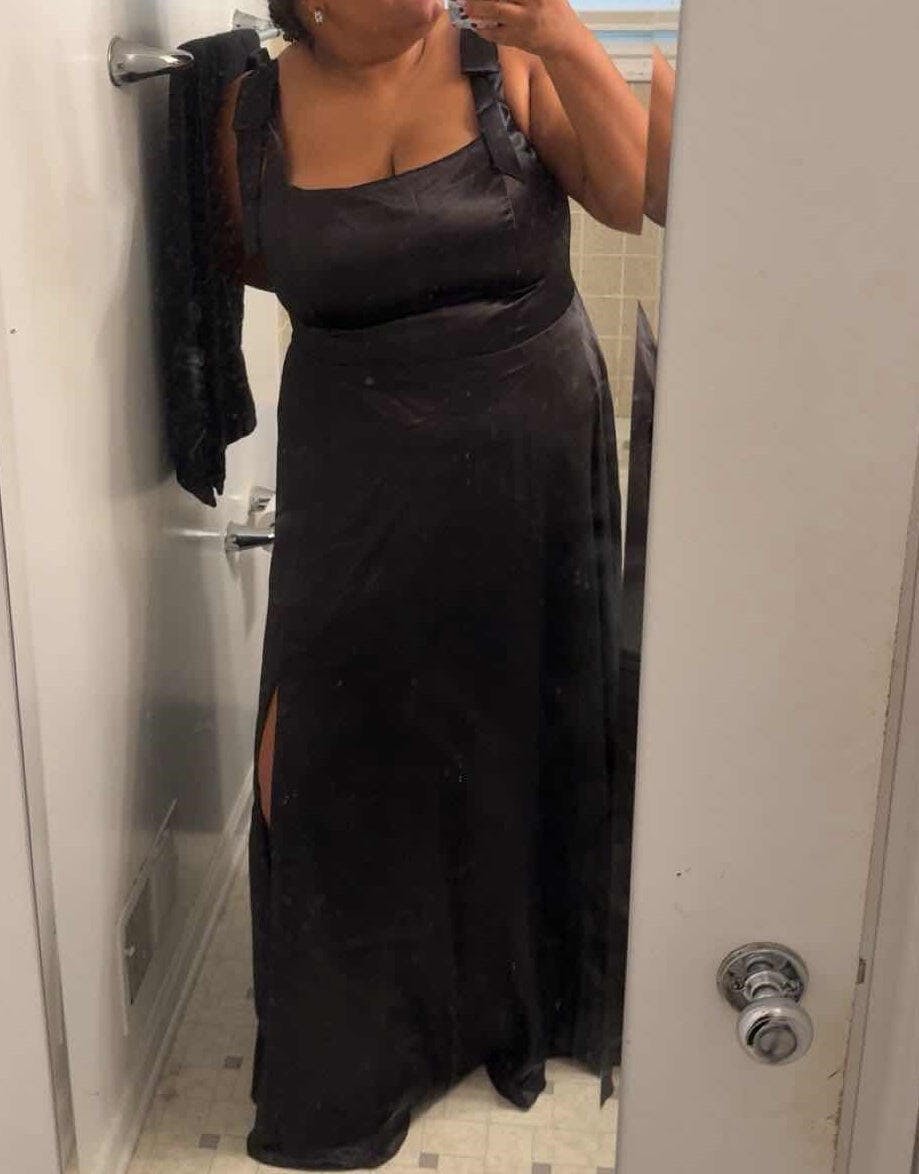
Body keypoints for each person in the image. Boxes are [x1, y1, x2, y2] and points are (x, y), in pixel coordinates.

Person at [213, 1, 648, 1167]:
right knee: (333, 742)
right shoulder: (250, 106)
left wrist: (563, 35)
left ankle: (518, 999)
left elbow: (630, 195)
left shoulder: (506, 54)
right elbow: (251, 256)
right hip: (354, 459)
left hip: (529, 440)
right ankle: (361, 1043)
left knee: (519, 715)